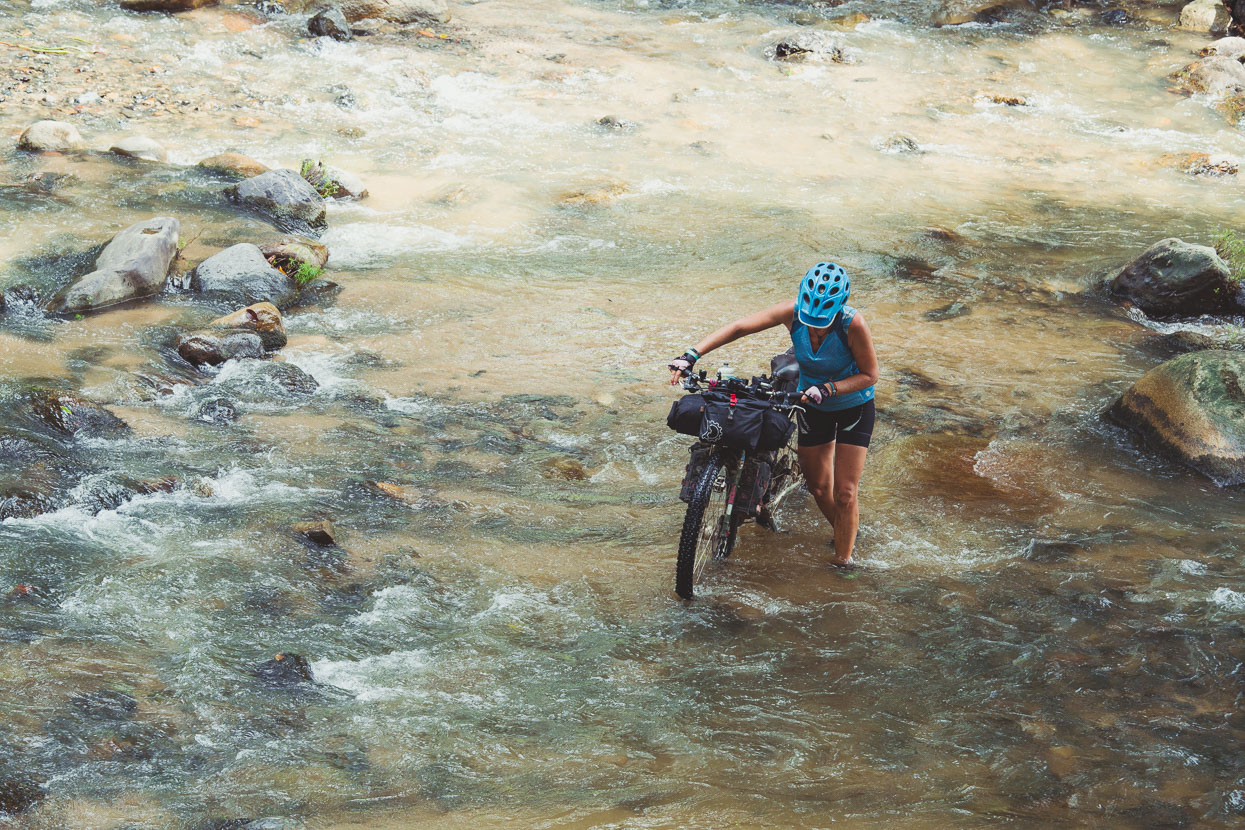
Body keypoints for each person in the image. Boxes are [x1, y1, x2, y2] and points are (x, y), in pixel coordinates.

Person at [667, 262, 878, 570]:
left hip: (852, 406)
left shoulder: (853, 324)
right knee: (818, 487)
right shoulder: (792, 312)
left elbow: (870, 375)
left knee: (845, 492)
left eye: (822, 322)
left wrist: (830, 388)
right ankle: (846, 530)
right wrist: (691, 354)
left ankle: (843, 563)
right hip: (811, 404)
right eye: (811, 320)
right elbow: (740, 327)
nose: (816, 327)